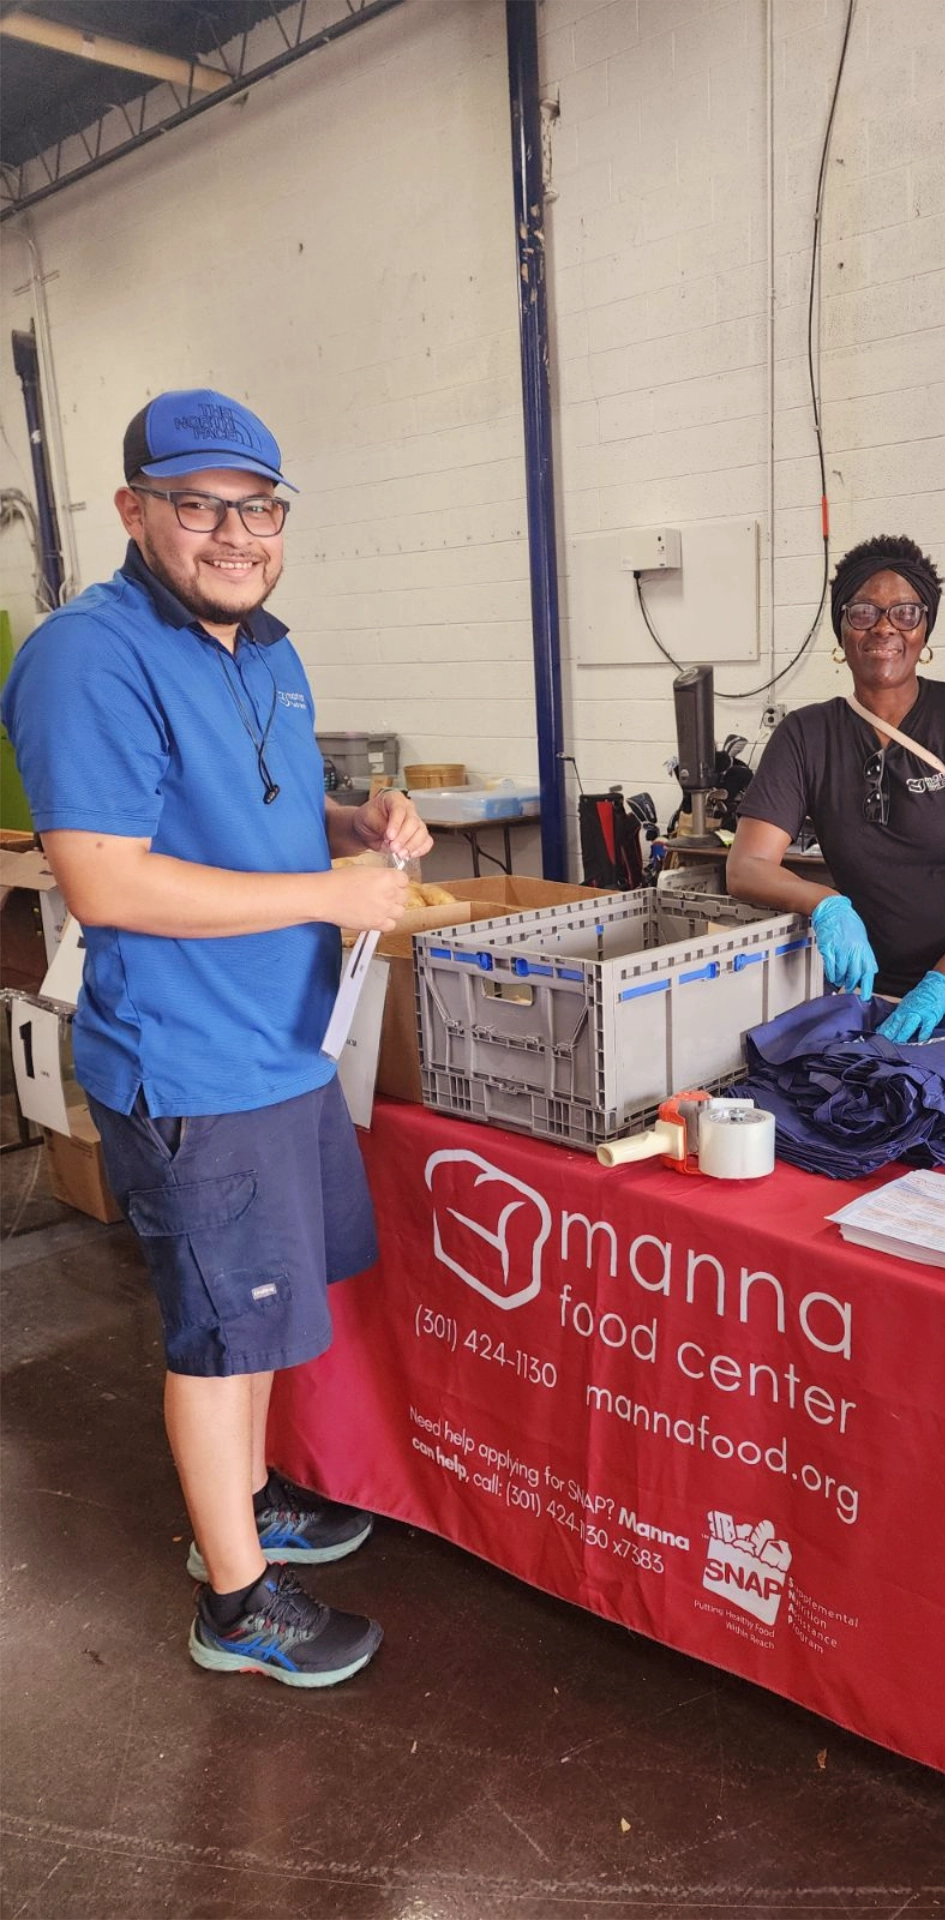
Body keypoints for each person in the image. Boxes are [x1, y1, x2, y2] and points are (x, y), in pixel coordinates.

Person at [1, 388, 433, 1687]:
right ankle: (235, 1601)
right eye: (198, 506)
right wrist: (325, 893)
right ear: (135, 513)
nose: (234, 534)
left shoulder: (265, 650)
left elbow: (260, 808)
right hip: (192, 1061)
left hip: (287, 1043)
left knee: (259, 1318)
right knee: (216, 1324)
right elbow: (107, 880)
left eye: (258, 508)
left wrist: (356, 823)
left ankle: (244, 1505)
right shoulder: (90, 656)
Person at [727, 534, 945, 1084]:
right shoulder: (806, 735)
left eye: (905, 613)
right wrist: (826, 903)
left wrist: (944, 981)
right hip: (877, 996)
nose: (885, 628)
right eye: (864, 612)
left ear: (925, 628)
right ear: (841, 627)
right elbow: (745, 867)